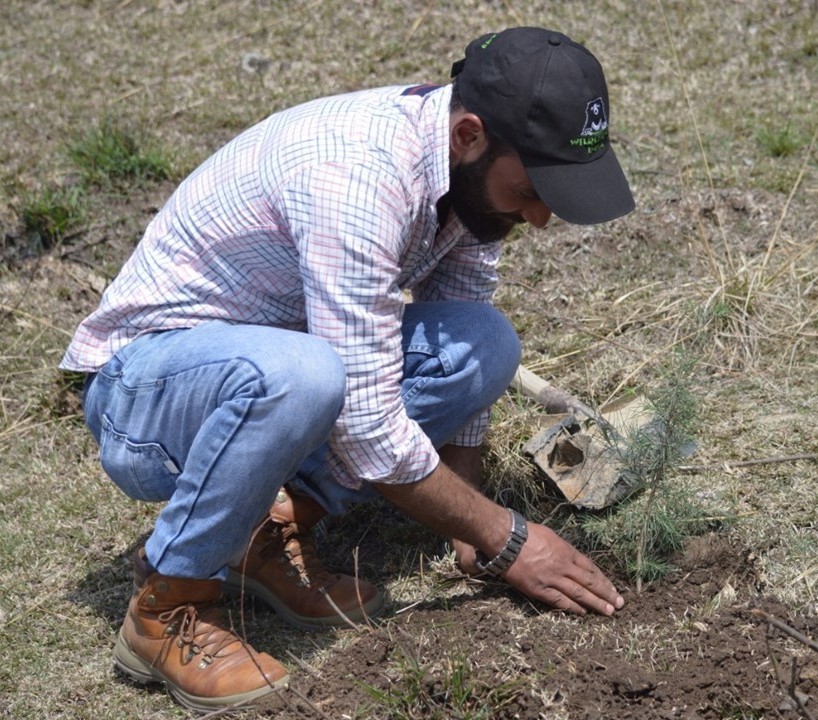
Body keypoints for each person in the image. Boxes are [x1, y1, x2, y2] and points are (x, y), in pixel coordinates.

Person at [61, 26, 635, 713]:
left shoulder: (470, 185)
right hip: (144, 386)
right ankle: (165, 607)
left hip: (272, 362)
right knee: (304, 376)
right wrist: (507, 537)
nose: (542, 218)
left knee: (482, 344)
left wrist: (466, 526)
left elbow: (460, 314)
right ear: (470, 135)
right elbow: (364, 426)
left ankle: (263, 528)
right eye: (537, 188)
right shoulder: (357, 174)